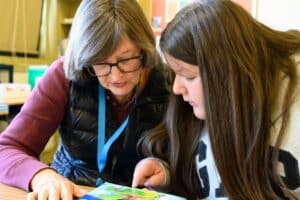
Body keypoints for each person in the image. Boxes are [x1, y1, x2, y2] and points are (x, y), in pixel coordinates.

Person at [0, 0, 170, 199]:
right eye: (100, 62)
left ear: (143, 48)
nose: (116, 76)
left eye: (126, 59)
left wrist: (167, 172)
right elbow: (7, 148)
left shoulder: (172, 84)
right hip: (72, 191)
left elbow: (194, 164)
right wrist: (43, 176)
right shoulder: (63, 76)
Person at [132, 0, 300, 199]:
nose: (177, 89)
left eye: (190, 76)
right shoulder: (198, 107)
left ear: (228, 73)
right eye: (175, 74)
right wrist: (168, 175)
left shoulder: (292, 104)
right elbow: (207, 182)